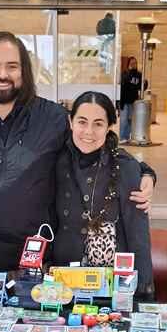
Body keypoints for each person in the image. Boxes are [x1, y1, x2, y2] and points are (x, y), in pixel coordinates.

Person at [0, 31, 155, 272]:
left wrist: (145, 172)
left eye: (12, 66)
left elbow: (94, 145)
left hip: (32, 258)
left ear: (25, 72)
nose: (2, 74)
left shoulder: (52, 119)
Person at [51, 91, 154, 298]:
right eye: (82, 122)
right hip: (62, 279)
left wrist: (143, 291)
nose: (88, 131)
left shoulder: (124, 166)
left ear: (108, 127)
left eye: (98, 124)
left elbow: (138, 235)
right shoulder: (55, 160)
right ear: (70, 122)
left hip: (111, 284)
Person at [118, 57, 144, 143]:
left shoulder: (139, 75)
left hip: (133, 101)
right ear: (129, 64)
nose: (134, 65)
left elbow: (141, 86)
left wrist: (145, 83)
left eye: (135, 63)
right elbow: (123, 84)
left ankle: (127, 137)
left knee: (130, 120)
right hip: (124, 101)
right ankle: (122, 138)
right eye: (132, 63)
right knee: (123, 120)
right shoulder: (125, 73)